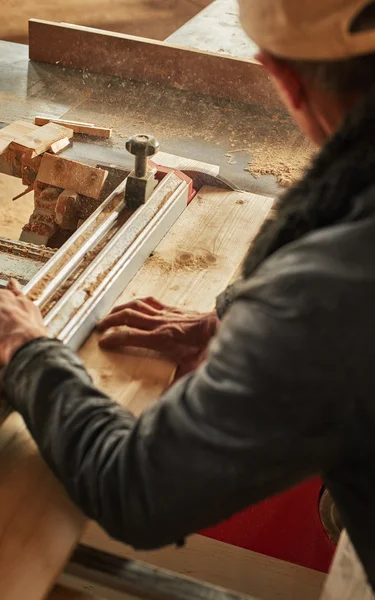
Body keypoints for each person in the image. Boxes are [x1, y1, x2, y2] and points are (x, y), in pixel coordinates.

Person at [2, 0, 375, 588]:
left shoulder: (331, 289)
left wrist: (26, 347)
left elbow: (135, 489)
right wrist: (237, 319)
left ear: (282, 79)